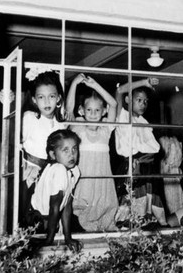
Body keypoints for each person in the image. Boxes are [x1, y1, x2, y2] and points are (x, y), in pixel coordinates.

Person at [66, 73, 118, 232]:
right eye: (89, 109)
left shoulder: (106, 129)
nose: (93, 113)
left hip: (103, 177)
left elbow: (114, 104)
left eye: (97, 110)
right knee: (84, 204)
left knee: (106, 203)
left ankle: (105, 226)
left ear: (103, 111)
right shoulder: (78, 127)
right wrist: (75, 83)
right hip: (85, 177)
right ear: (82, 110)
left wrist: (95, 86)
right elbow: (68, 109)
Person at [114, 78, 167, 227]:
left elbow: (153, 148)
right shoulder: (123, 116)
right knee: (130, 208)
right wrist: (144, 83)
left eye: (145, 101)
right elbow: (119, 90)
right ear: (128, 99)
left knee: (149, 209)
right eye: (139, 100)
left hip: (148, 167)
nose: (143, 104)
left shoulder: (144, 122)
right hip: (132, 165)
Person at [21, 68, 67, 225]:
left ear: (58, 98)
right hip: (29, 172)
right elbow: (16, 142)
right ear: (34, 99)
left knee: (48, 216)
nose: (47, 102)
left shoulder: (62, 123)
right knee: (24, 214)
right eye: (41, 97)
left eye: (51, 96)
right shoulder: (30, 118)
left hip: (50, 174)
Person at [29, 129, 82, 251]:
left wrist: (68, 238)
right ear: (53, 154)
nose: (71, 154)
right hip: (36, 222)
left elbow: (67, 205)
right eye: (65, 150)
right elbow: (54, 207)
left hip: (51, 221)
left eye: (74, 149)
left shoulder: (75, 171)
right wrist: (49, 240)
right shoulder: (58, 170)